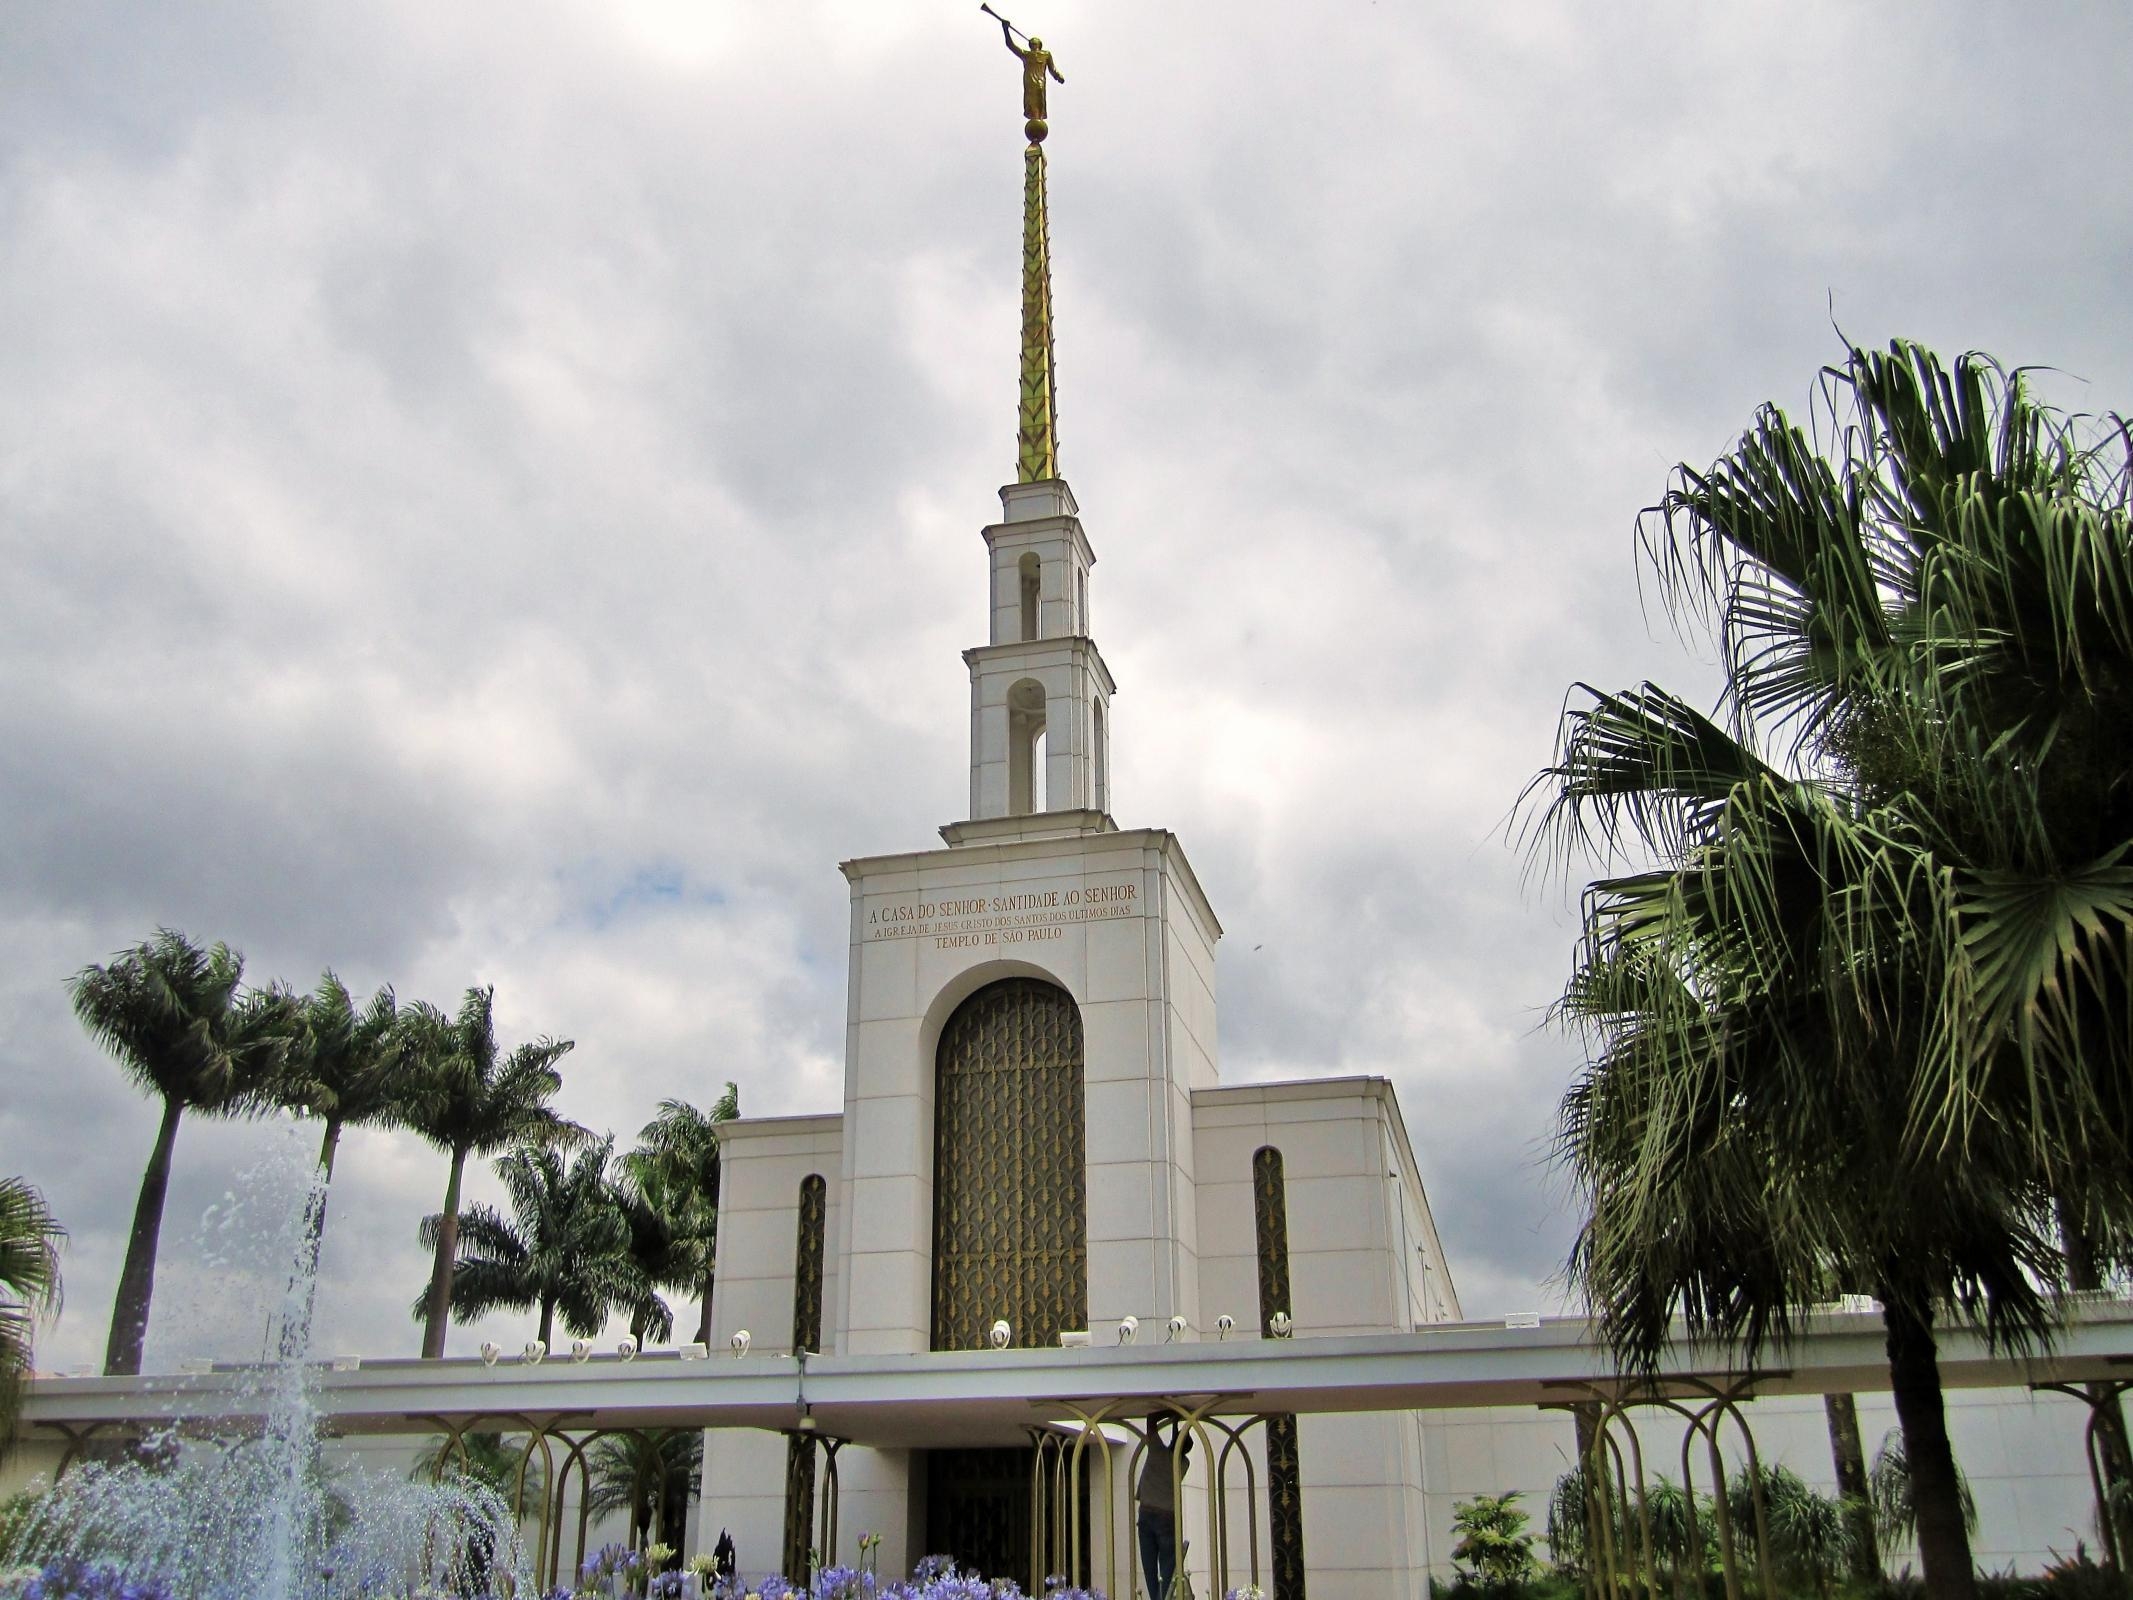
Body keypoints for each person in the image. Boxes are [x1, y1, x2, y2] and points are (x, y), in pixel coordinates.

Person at [1137, 1410, 1192, 1597]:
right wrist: (1182, 1420)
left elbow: (1150, 1420)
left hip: (1146, 1513)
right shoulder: (1184, 1464)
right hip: (1167, 1517)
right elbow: (1177, 1444)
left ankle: (1154, 1597)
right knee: (1168, 1567)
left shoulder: (1157, 1450)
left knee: (1149, 1567)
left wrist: (1171, 1413)